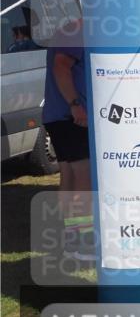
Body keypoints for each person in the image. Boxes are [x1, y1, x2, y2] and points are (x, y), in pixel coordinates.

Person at [42, 40, 93, 260]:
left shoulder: (66, 31)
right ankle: (82, 242)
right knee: (84, 178)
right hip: (72, 116)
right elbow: (60, 66)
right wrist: (75, 105)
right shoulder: (78, 32)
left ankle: (72, 239)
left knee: (69, 177)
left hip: (58, 115)